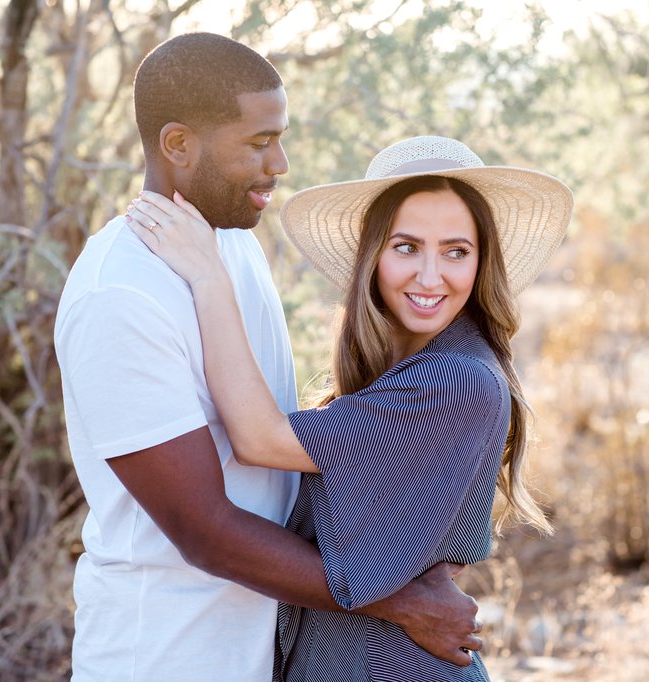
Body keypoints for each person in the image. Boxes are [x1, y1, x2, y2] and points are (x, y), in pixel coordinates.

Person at [54, 35, 482, 682]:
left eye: (279, 139)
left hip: (262, 649)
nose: (280, 164)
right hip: (168, 655)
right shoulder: (119, 296)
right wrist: (400, 601)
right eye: (259, 143)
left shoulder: (232, 245)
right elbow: (204, 529)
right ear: (178, 144)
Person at [126, 135, 574, 680]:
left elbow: (259, 438)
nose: (430, 276)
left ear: (481, 263)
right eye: (406, 247)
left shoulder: (456, 380)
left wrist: (207, 276)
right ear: (374, 254)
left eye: (456, 251)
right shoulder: (403, 369)